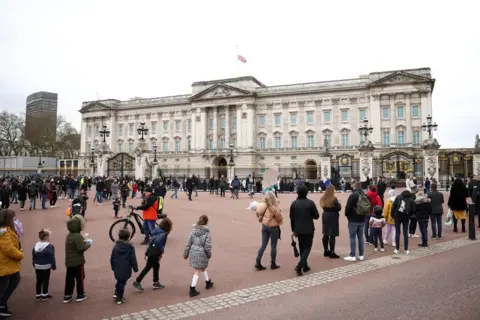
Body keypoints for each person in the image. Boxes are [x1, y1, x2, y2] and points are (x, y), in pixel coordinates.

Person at [133, 218, 172, 292]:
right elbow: (160, 245)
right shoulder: (164, 234)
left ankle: (156, 282)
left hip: (151, 251)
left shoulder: (157, 230)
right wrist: (160, 253)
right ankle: (137, 281)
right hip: (155, 253)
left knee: (156, 266)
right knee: (148, 267)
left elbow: (152, 241)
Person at [289, 184, 319, 276]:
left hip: (298, 229)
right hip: (309, 228)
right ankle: (301, 264)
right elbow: (316, 216)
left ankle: (304, 265)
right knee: (308, 247)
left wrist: (293, 229)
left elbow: (292, 218)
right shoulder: (310, 203)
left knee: (302, 247)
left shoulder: (294, 203)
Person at [0, 209, 24, 317]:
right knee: (5, 285)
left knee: (13, 280)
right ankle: (1, 305)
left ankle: (2, 304)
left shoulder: (7, 230)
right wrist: (20, 254)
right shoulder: (4, 232)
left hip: (8, 263)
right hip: (5, 263)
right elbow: (8, 249)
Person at [63, 215, 91, 303]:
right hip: (78, 261)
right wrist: (88, 244)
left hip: (69, 261)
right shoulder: (78, 236)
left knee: (69, 278)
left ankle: (67, 295)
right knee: (80, 278)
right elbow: (81, 248)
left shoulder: (69, 235)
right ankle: (80, 294)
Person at [183, 215, 213, 297]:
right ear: (206, 222)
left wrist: (185, 254)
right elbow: (207, 246)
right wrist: (209, 254)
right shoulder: (207, 232)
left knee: (202, 268)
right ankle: (192, 288)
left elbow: (188, 243)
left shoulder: (193, 231)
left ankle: (208, 282)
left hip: (193, 252)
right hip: (202, 252)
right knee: (197, 270)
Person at [254, 191, 283, 271]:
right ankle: (273, 263)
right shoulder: (274, 207)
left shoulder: (263, 205)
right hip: (273, 227)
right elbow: (279, 218)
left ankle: (258, 261)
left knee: (263, 245)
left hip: (264, 225)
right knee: (273, 246)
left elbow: (258, 213)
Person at [110, 229, 139, 305]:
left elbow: (112, 258)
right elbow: (133, 259)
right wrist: (135, 268)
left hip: (117, 268)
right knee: (122, 283)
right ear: (128, 237)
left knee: (119, 281)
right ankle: (119, 298)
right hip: (126, 268)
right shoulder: (130, 247)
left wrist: (113, 267)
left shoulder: (115, 247)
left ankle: (116, 293)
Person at [344, 182, 371, 262]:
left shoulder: (352, 196)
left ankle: (352, 255)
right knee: (360, 237)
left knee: (352, 237)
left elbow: (348, 208)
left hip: (353, 219)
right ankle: (361, 255)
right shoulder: (365, 195)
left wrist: (348, 216)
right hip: (362, 219)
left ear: (354, 188)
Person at [32, 229, 56, 301]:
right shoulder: (49, 246)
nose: (50, 237)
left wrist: (34, 263)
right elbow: (52, 256)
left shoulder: (36, 245)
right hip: (46, 266)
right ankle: (45, 294)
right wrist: (54, 265)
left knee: (39, 280)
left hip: (37, 266)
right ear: (46, 237)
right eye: (49, 236)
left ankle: (38, 295)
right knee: (46, 280)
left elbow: (33, 255)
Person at [391, 188, 415, 255]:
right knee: (405, 233)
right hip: (406, 217)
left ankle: (397, 249)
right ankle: (406, 249)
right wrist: (409, 215)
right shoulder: (411, 199)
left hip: (397, 216)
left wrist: (392, 215)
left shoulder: (398, 197)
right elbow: (413, 210)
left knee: (397, 233)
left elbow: (393, 206)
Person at [319, 185, 341, 259]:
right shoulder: (334, 198)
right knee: (332, 234)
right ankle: (332, 252)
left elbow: (321, 205)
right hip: (332, 215)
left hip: (325, 215)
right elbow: (338, 208)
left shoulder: (323, 198)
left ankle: (325, 250)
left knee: (325, 233)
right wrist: (339, 203)